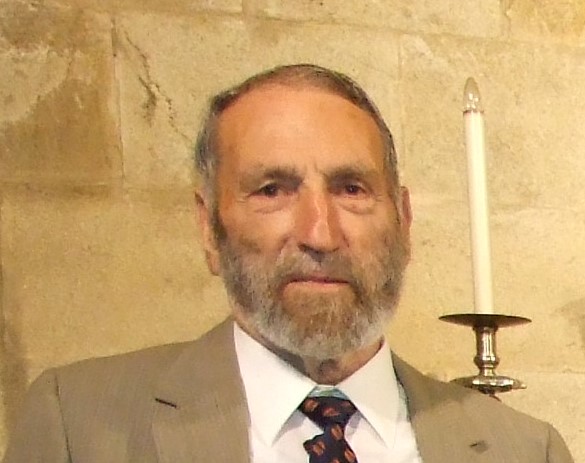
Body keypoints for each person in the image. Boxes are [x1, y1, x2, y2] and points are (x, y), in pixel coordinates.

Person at [2, 64, 573, 462]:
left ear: (403, 220)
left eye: (351, 188)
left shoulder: (524, 449)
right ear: (209, 227)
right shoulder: (78, 426)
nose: (319, 234)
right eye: (273, 190)